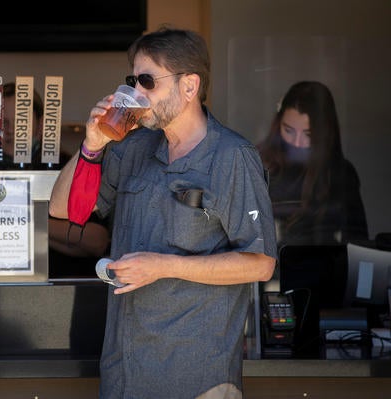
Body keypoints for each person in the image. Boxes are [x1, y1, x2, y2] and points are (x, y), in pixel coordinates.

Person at [49, 28, 277, 399]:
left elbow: (260, 263)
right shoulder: (131, 147)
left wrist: (163, 266)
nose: (136, 94)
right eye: (132, 81)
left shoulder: (231, 157)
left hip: (196, 377)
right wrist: (91, 146)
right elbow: (64, 211)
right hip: (124, 373)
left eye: (148, 81)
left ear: (189, 87)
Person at [0, 82, 111, 277]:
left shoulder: (66, 166)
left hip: (60, 289)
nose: (12, 130)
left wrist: (23, 222)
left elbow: (96, 240)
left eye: (21, 122)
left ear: (40, 125)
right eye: (3, 122)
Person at [257, 81, 368, 247]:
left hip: (325, 270)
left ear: (324, 132)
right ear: (278, 124)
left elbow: (356, 243)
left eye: (308, 134)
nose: (297, 142)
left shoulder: (341, 174)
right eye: (288, 130)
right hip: (268, 269)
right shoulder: (258, 164)